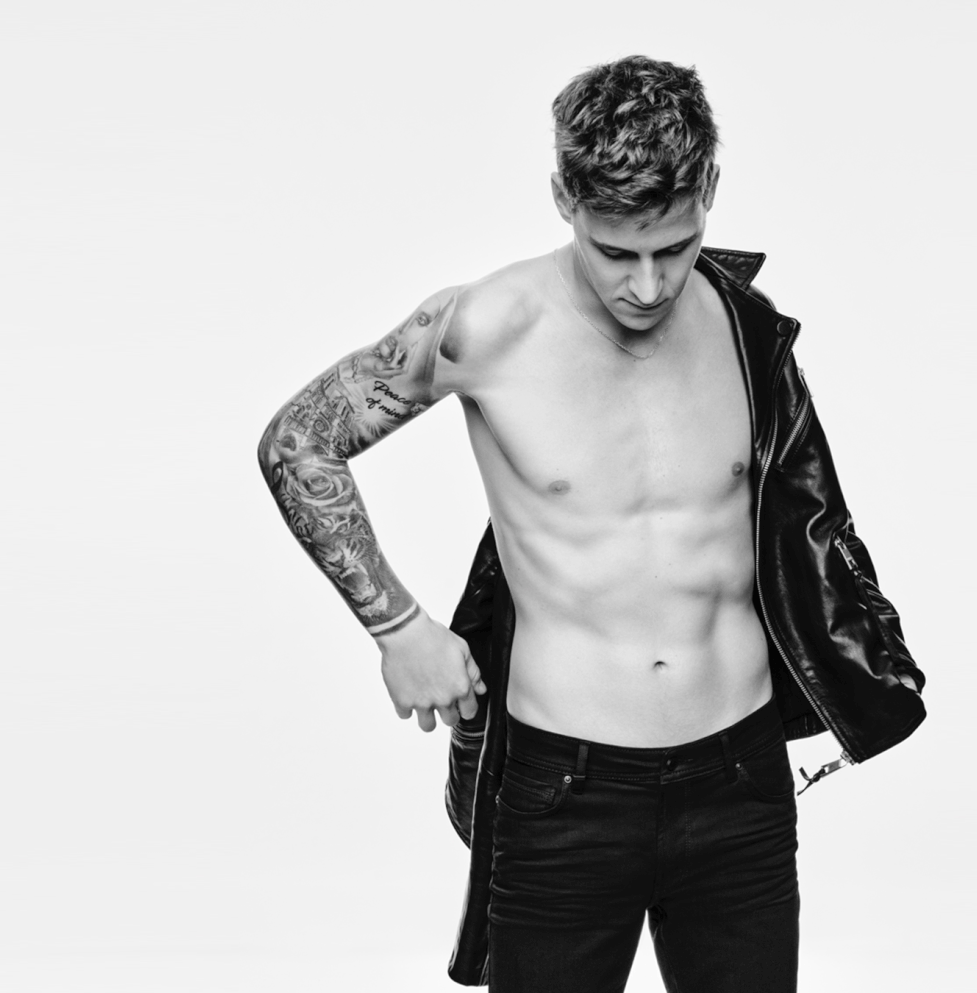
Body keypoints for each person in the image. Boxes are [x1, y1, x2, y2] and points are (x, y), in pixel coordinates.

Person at [257, 55, 926, 993]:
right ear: (564, 199)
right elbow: (298, 443)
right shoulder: (482, 326)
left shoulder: (747, 330)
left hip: (740, 783)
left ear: (710, 190)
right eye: (616, 253)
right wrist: (399, 627)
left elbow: (809, 530)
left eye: (676, 247)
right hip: (565, 793)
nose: (648, 286)